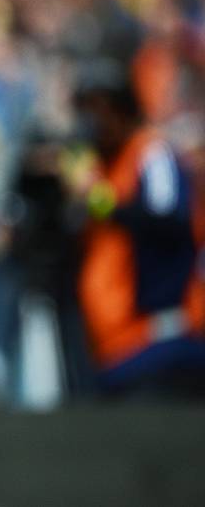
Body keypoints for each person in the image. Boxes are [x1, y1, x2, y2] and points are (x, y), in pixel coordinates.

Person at [74, 63, 205, 396]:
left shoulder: (150, 151)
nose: (94, 124)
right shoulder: (102, 163)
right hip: (113, 339)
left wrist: (98, 200)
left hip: (159, 330)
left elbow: (166, 221)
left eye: (100, 111)